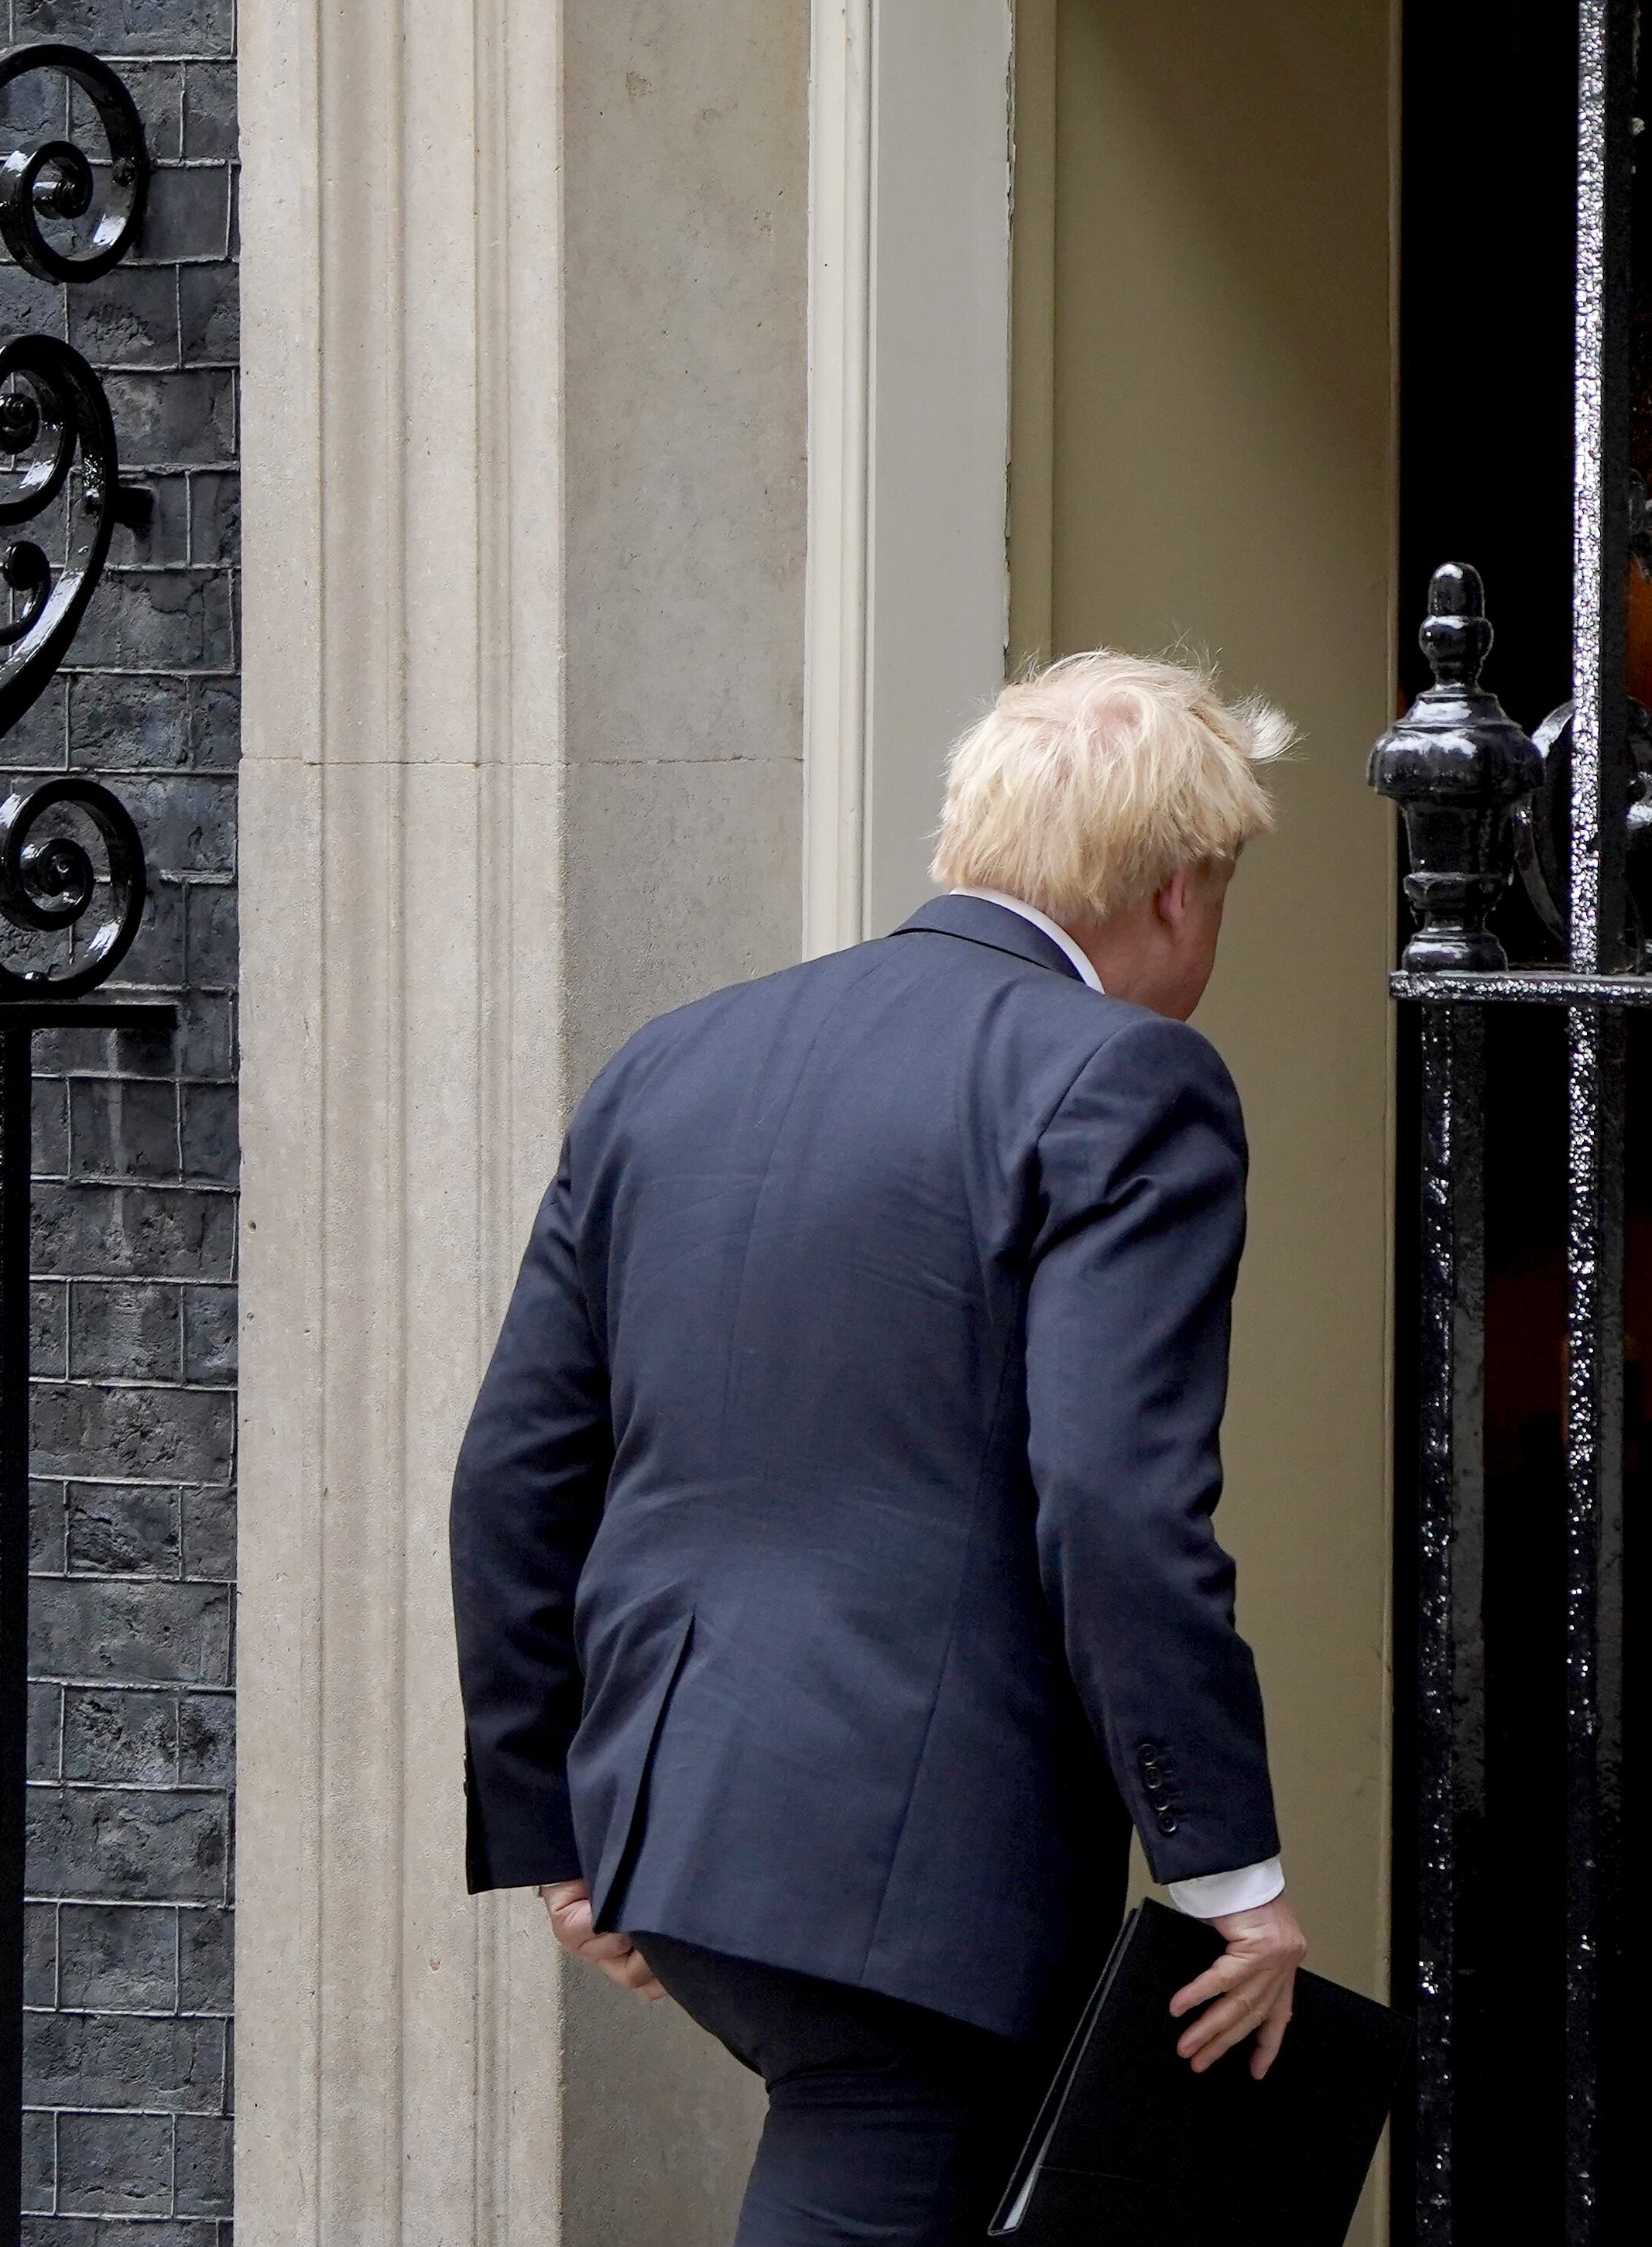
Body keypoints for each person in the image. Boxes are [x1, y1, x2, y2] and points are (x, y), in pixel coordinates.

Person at [451, 650, 1312, 2247]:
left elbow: (514, 1472)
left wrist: (560, 1822)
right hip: (914, 1880)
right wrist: (1227, 1876)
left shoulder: (676, 1058)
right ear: (1185, 890)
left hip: (680, 1817)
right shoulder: (1126, 1077)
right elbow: (1117, 1503)